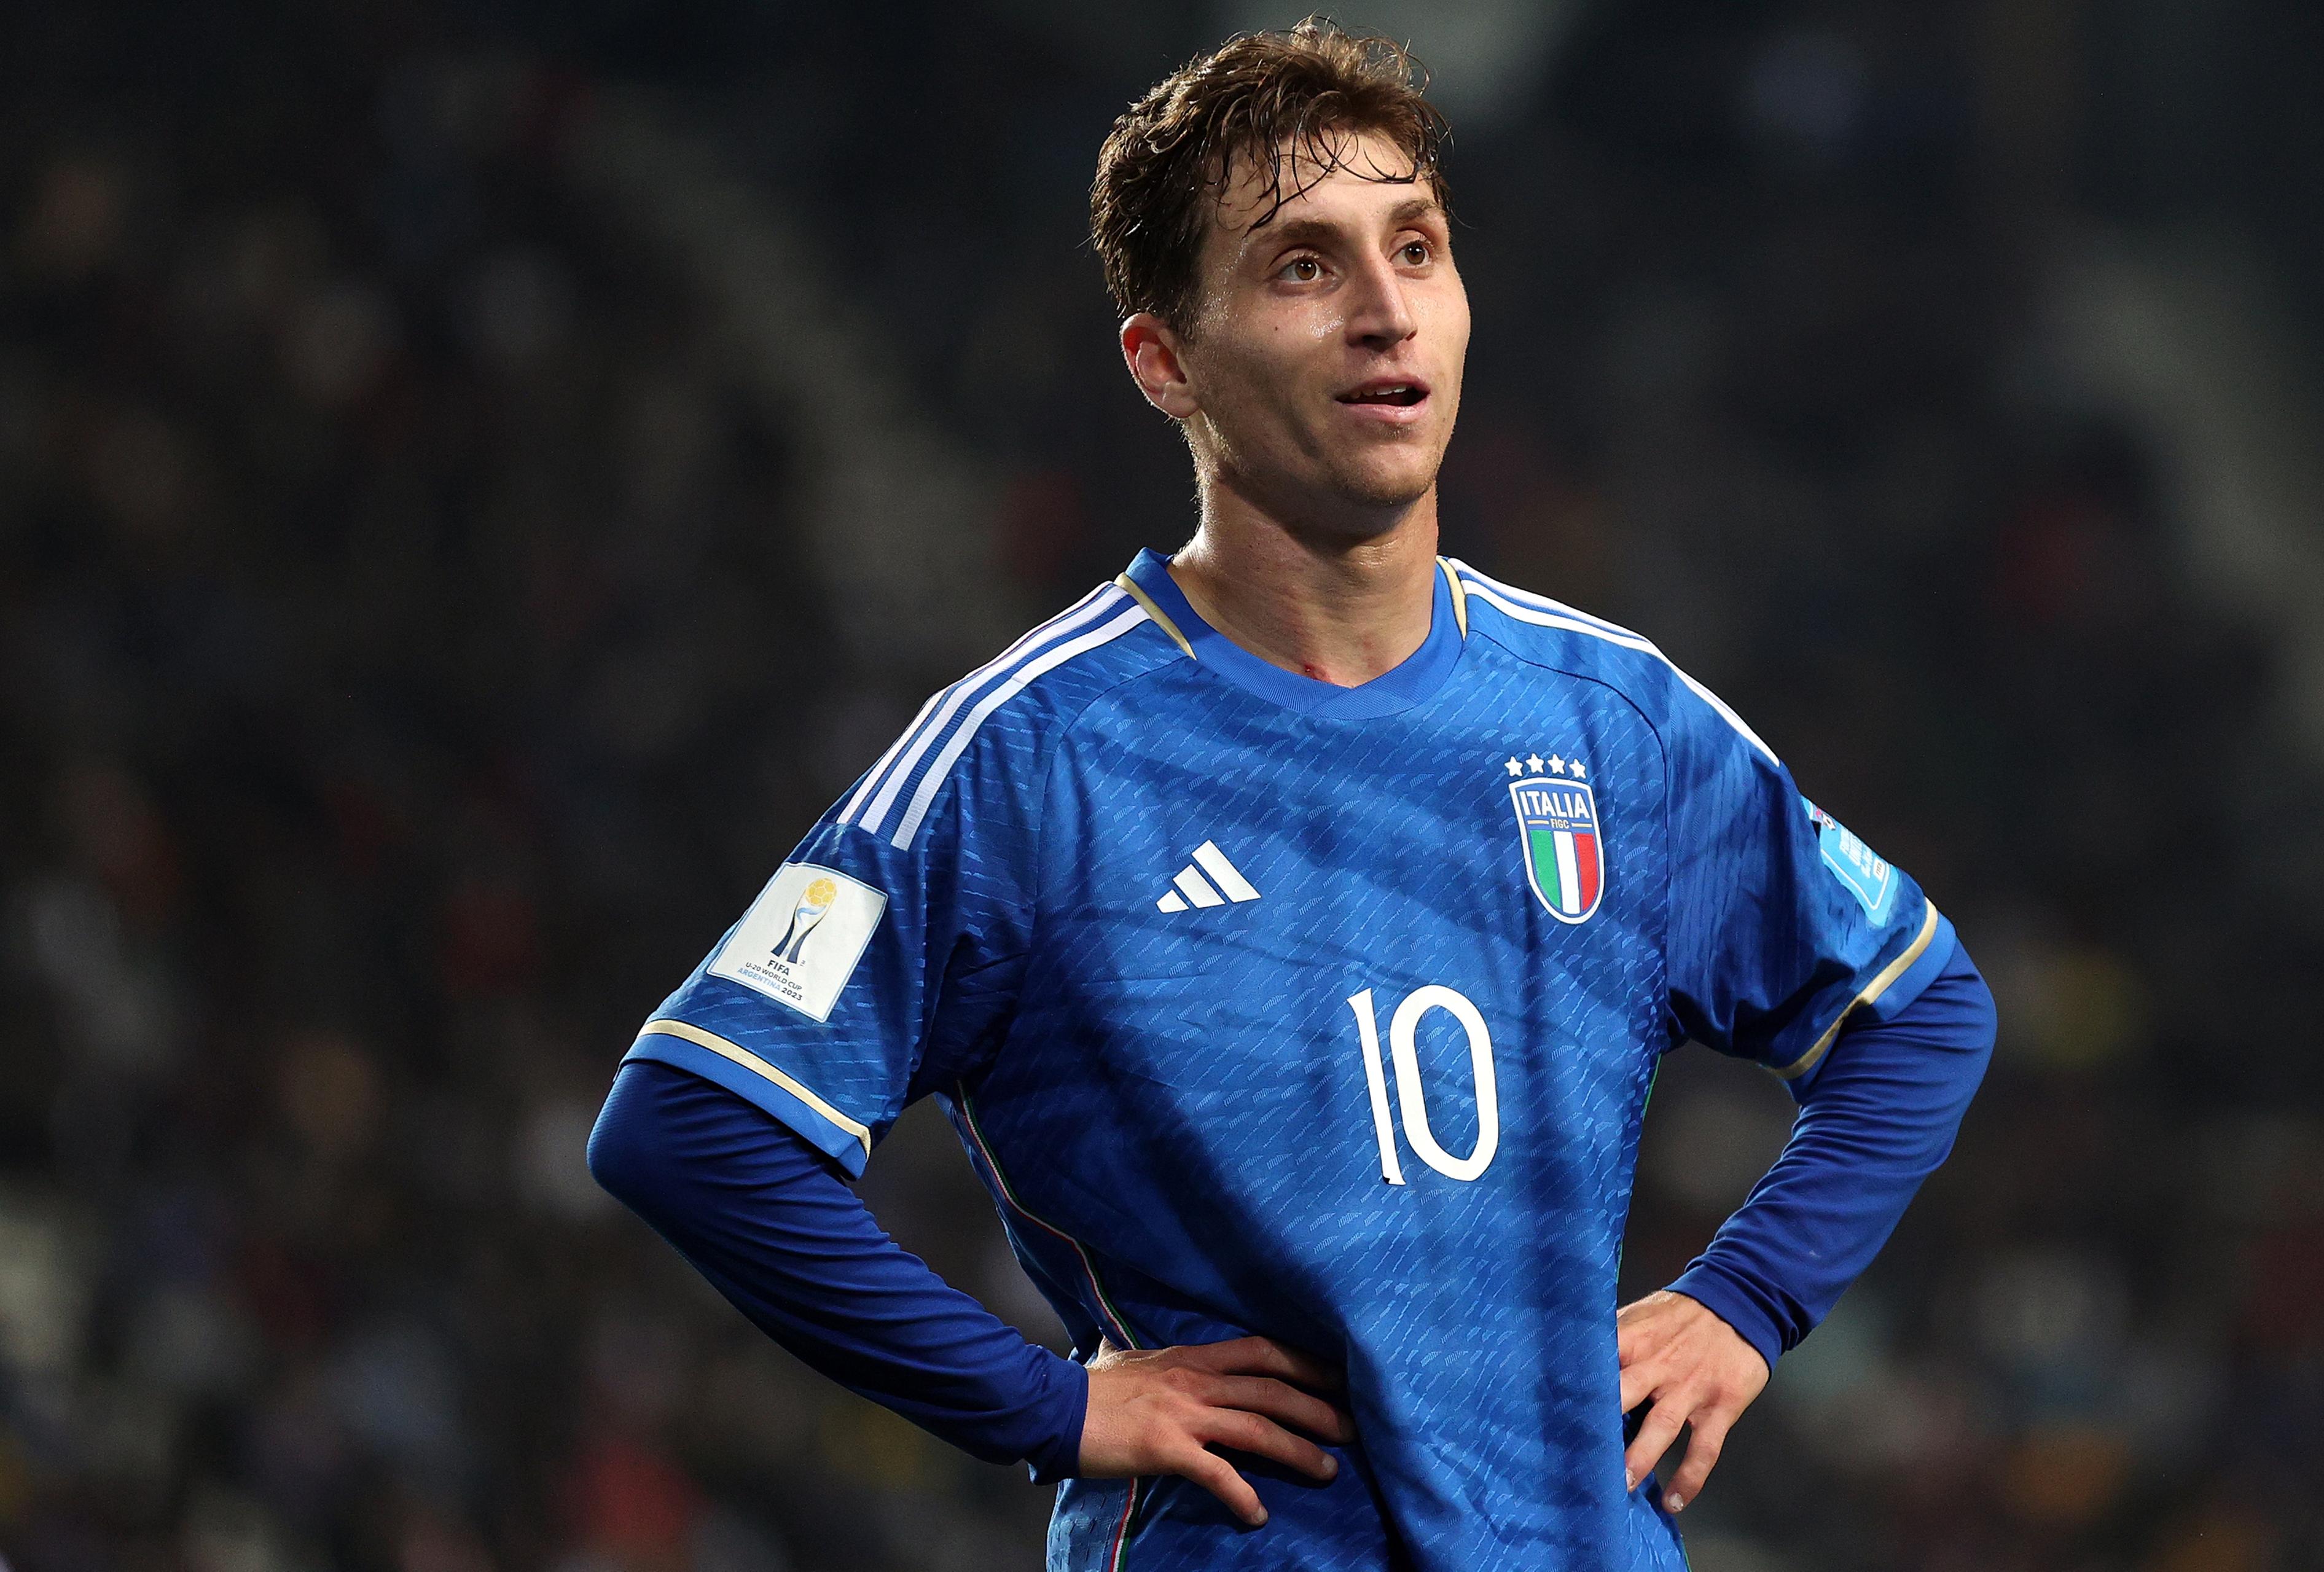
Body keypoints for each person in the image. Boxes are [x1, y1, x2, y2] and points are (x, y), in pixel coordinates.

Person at [588, 20, 1996, 1570]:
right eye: (1305, 266)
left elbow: (1920, 1006)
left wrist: (1745, 1297)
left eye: (1417, 247)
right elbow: (690, 1122)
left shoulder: (1613, 720)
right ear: (1166, 362)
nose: (1387, 309)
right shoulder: (1031, 755)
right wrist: (1044, 1403)